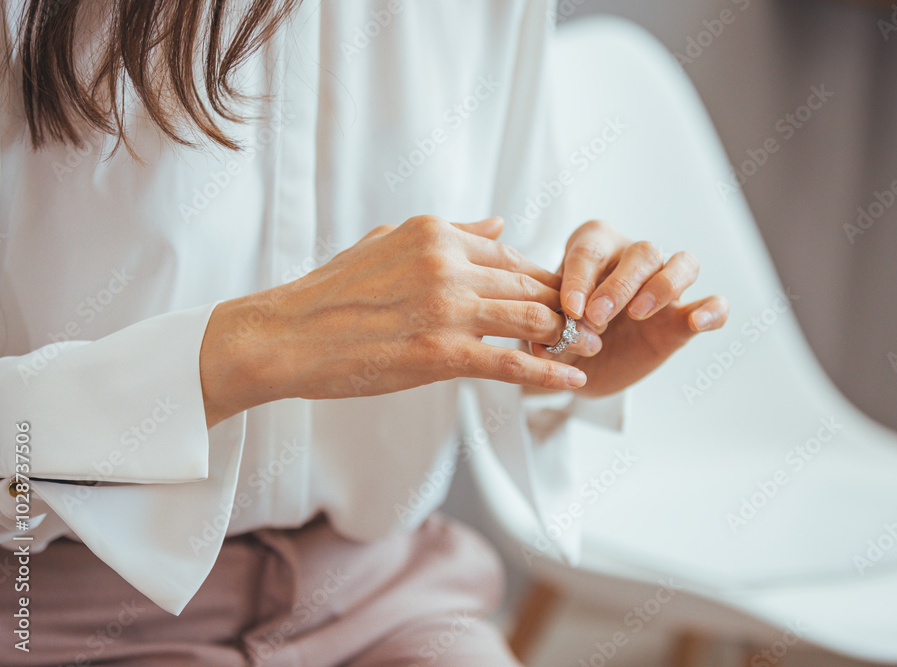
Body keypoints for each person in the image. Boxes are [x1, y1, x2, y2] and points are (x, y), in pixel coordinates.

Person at [0, 0, 728, 664]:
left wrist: (574, 346)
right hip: (53, 608)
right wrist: (246, 349)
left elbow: (511, 275)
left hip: (383, 593)